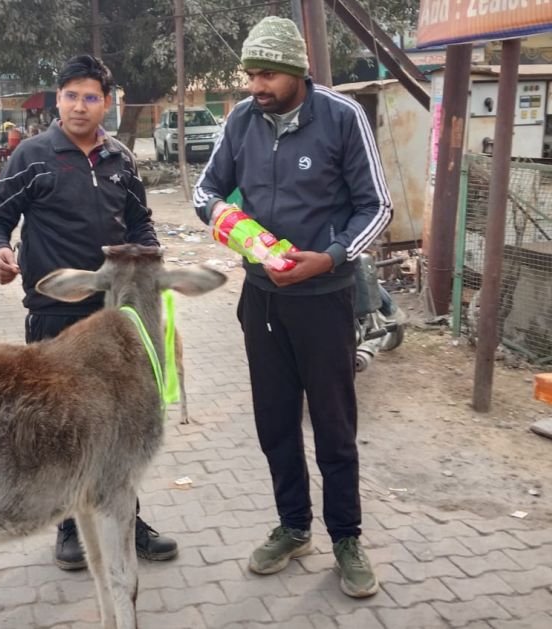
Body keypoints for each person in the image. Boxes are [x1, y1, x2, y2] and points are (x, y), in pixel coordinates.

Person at [193, 17, 392, 598]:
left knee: (333, 427)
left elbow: (375, 207)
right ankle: (293, 526)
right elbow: (207, 191)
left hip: (324, 301)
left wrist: (330, 258)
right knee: (275, 421)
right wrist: (228, 223)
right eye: (251, 72)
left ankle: (347, 538)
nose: (256, 84)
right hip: (262, 300)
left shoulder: (340, 118)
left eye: (267, 73)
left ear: (297, 72)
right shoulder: (242, 121)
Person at [0, 54, 178, 572]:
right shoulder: (35, 157)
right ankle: (69, 525)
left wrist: (152, 262)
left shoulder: (119, 160)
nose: (80, 106)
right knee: (62, 427)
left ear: (106, 104)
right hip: (53, 313)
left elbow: (140, 222)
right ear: (58, 99)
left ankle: (127, 519)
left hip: (116, 318)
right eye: (71, 96)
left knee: (123, 424)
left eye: (91, 98)